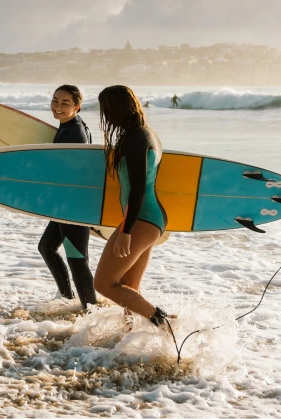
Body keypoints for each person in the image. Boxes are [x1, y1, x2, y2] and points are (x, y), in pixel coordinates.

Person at [92, 85, 171, 326]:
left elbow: (137, 189)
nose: (104, 115)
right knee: (128, 287)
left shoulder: (136, 137)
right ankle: (131, 337)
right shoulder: (144, 133)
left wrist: (125, 232)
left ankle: (164, 321)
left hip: (142, 219)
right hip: (148, 218)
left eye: (105, 109)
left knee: (104, 283)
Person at [38, 85, 97, 309]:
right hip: (66, 204)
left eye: (65, 103)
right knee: (47, 247)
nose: (58, 107)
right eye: (55, 101)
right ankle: (67, 298)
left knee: (77, 259)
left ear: (77, 107)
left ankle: (90, 311)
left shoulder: (74, 133)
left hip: (73, 206)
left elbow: (76, 173)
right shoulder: (71, 126)